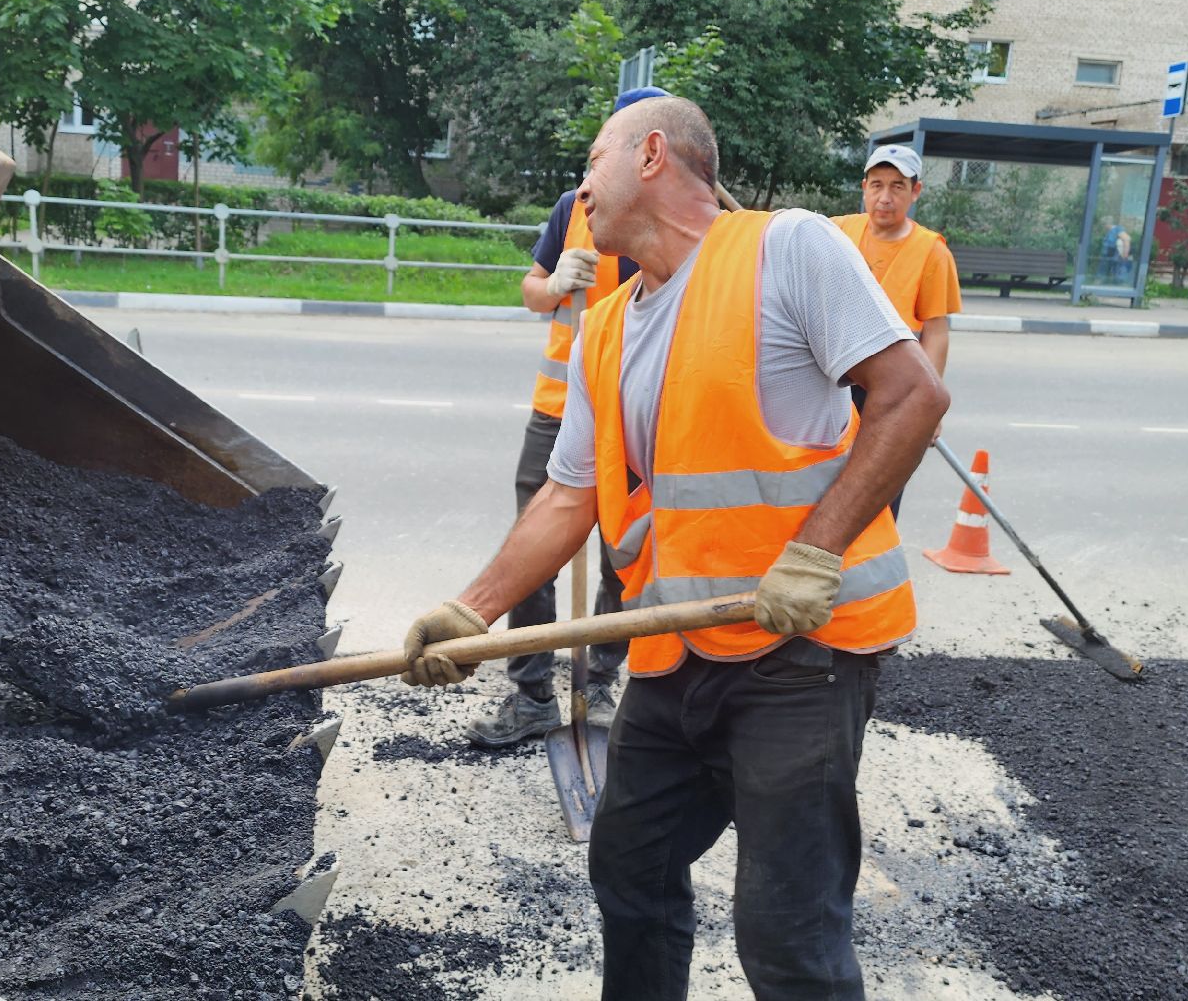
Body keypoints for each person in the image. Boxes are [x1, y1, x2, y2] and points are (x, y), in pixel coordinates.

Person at [397, 97, 949, 999]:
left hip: (801, 656)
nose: (580, 182)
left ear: (653, 155)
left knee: (787, 930)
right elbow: (569, 492)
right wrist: (472, 609)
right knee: (630, 870)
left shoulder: (787, 248)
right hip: (674, 655)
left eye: (594, 156)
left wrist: (813, 554)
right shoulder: (607, 327)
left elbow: (913, 397)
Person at [471, 85, 670, 748]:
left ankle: (603, 682)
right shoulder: (572, 208)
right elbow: (530, 291)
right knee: (533, 546)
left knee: (624, 554)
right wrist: (555, 284)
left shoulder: (669, 219)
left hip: (637, 414)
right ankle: (531, 694)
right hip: (558, 408)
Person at [831, 144, 961, 518]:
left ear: (915, 191)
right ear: (864, 187)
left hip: (895, 389)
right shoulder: (838, 232)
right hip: (835, 384)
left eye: (897, 186)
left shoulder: (931, 252)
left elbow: (935, 332)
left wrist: (930, 406)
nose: (884, 198)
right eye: (876, 185)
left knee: (878, 497)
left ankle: (873, 571)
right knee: (826, 488)